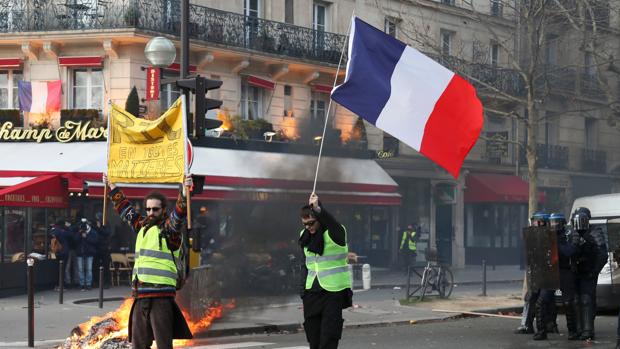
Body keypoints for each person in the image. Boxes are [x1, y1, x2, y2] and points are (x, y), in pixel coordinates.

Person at [103, 173, 193, 349]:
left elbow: (179, 213)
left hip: (161, 296)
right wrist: (112, 186)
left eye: (155, 209)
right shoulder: (142, 225)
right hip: (140, 294)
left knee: (163, 345)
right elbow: (125, 209)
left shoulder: (169, 229)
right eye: (148, 209)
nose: (151, 213)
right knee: (138, 345)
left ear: (163, 210)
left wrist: (184, 190)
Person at [299, 193, 353, 349]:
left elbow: (332, 222)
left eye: (311, 223)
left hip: (333, 293)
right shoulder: (304, 236)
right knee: (313, 340)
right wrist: (302, 291)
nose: (308, 227)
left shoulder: (336, 233)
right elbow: (305, 264)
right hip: (312, 294)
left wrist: (318, 208)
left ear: (319, 219)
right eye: (305, 224)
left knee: (328, 338)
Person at [572, 207, 607, 341]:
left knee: (587, 300)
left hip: (589, 271)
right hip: (576, 272)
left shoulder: (594, 231)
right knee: (576, 301)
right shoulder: (573, 232)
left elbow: (602, 254)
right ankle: (579, 329)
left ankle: (588, 330)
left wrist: (594, 270)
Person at [515, 212, 549, 335]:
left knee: (544, 302)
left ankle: (547, 327)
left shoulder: (548, 236)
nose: (534, 224)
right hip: (535, 273)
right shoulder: (533, 236)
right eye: (534, 221)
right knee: (530, 298)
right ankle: (527, 325)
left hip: (546, 274)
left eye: (536, 221)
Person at [49, 219, 73, 289]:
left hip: (56, 252)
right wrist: (68, 227)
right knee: (63, 268)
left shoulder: (53, 230)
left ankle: (57, 284)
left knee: (57, 269)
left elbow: (50, 234)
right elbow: (71, 235)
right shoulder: (64, 231)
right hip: (64, 252)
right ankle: (62, 285)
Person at [75, 219, 98, 291]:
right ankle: (81, 284)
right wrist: (79, 233)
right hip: (80, 253)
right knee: (80, 270)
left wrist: (86, 237)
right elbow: (75, 240)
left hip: (89, 253)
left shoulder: (92, 232)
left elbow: (95, 241)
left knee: (89, 269)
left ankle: (88, 284)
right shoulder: (79, 232)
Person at [93, 213, 112, 288]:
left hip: (105, 248)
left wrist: (99, 227)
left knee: (106, 266)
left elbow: (106, 233)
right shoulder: (95, 225)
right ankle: (97, 282)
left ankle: (107, 282)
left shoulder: (106, 224)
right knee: (96, 265)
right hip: (97, 248)